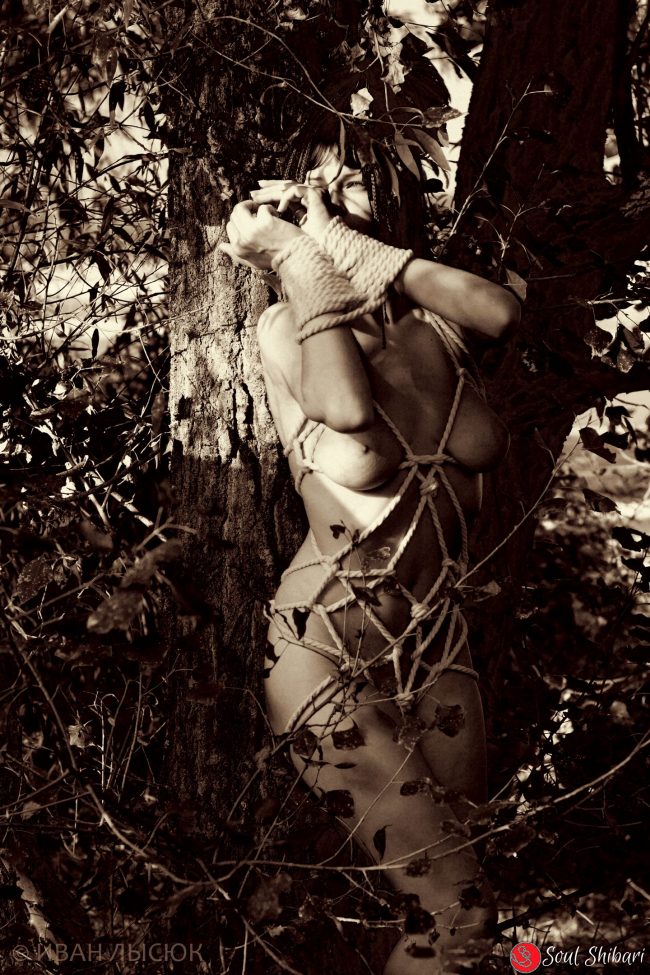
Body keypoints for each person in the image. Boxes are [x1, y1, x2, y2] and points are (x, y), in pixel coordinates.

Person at [220, 133, 520, 974]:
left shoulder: (440, 329)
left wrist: (349, 244)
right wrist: (296, 255)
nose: (336, 189)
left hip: (438, 648)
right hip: (327, 653)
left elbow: (503, 312)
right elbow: (347, 407)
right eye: (318, 182)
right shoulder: (285, 327)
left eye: (351, 181)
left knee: (455, 919)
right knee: (459, 914)